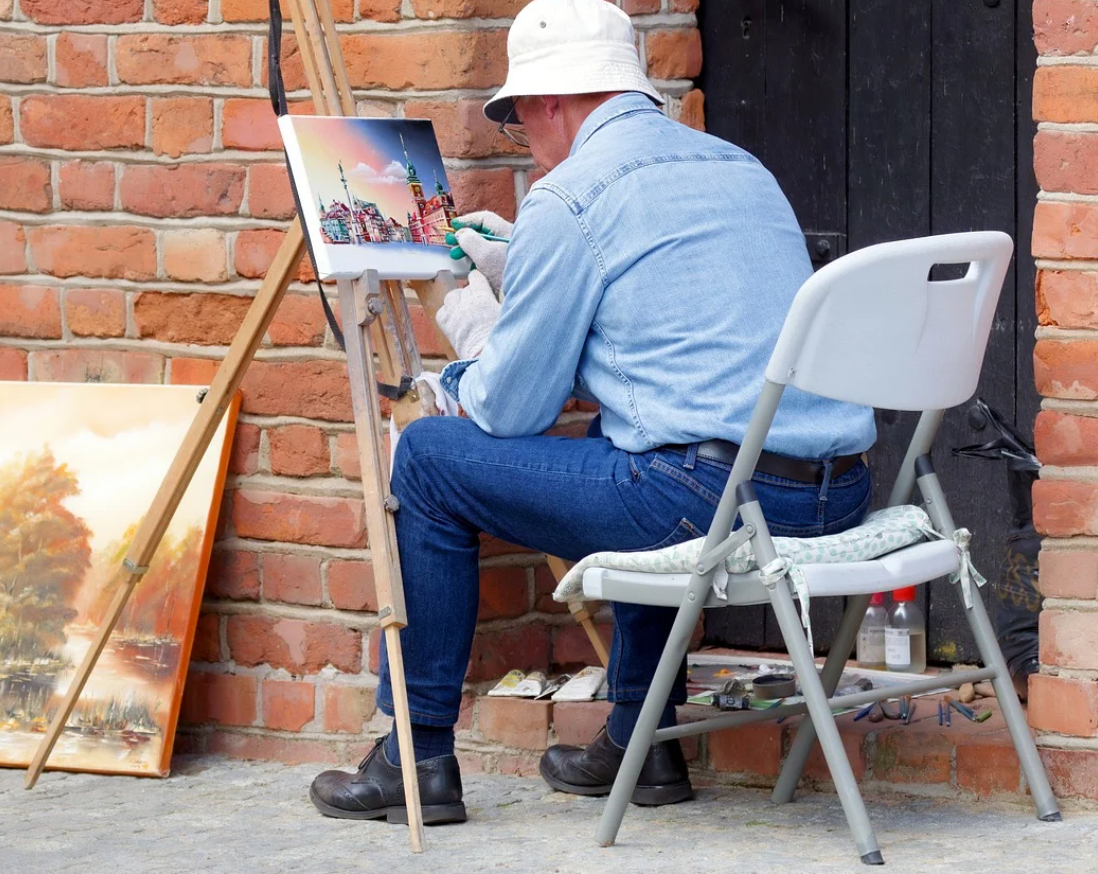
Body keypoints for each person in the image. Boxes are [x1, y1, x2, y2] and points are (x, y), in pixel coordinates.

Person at [309, 0, 876, 825]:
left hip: (708, 502)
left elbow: (511, 410)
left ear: (549, 103)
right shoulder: (737, 165)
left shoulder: (569, 198)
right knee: (635, 438)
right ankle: (641, 743)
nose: (525, 142)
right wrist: (520, 258)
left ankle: (414, 757)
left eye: (517, 122)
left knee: (430, 459)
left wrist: (456, 302)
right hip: (830, 494)